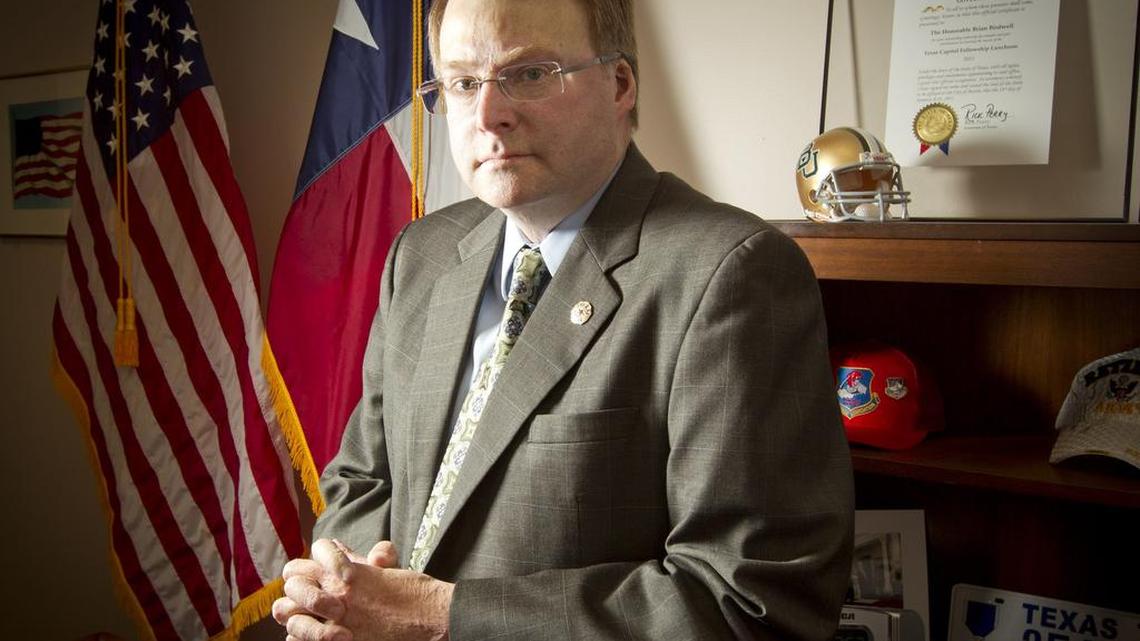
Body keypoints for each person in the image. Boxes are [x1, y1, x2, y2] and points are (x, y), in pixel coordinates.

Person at [272, 0, 854, 639]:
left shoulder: (730, 275)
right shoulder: (422, 254)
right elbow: (363, 477)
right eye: (464, 83)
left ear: (620, 85)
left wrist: (435, 616)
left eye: (530, 74)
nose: (489, 113)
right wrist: (343, 584)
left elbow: (750, 601)